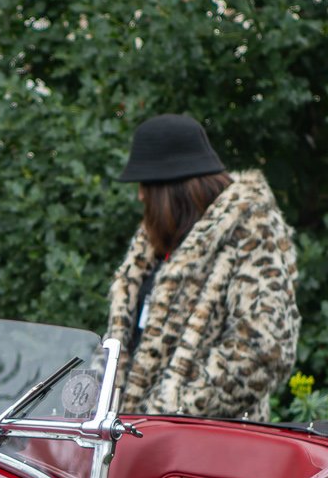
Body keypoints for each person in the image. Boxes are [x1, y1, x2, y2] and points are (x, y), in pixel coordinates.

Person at [100, 114, 299, 421]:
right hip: (134, 447)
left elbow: (263, 349)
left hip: (206, 451)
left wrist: (175, 412)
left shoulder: (250, 230)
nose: (140, 195)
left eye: (146, 185)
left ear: (174, 190)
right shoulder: (152, 244)